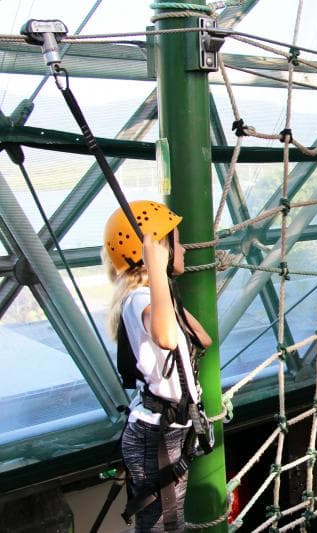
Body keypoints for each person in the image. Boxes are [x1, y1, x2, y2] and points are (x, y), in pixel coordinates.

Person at [103, 200, 212, 532]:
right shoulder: (141, 300)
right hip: (156, 434)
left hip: (168, 431)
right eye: (175, 241)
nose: (183, 249)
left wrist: (163, 283)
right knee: (162, 524)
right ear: (157, 250)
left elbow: (202, 339)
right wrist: (156, 271)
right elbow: (166, 337)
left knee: (168, 518)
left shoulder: (155, 297)